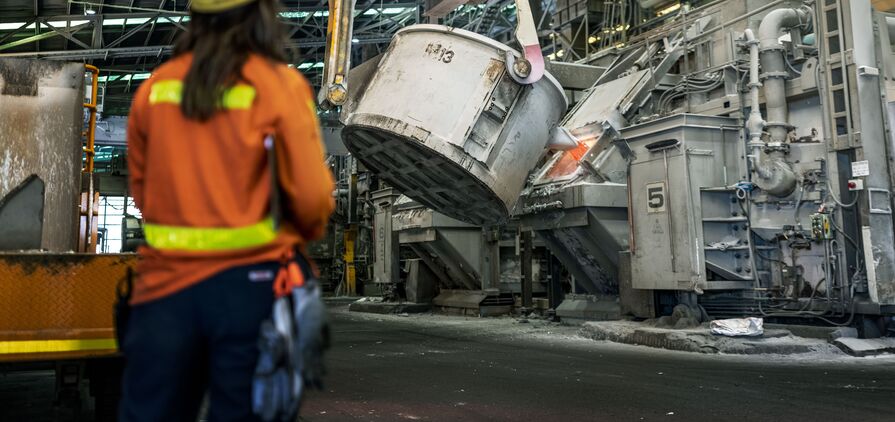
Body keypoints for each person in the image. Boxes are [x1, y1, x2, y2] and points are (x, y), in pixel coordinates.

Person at [120, 0, 335, 420]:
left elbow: (145, 196)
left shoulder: (155, 89)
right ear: (261, 14)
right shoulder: (278, 86)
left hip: (163, 293)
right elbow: (312, 202)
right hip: (251, 294)